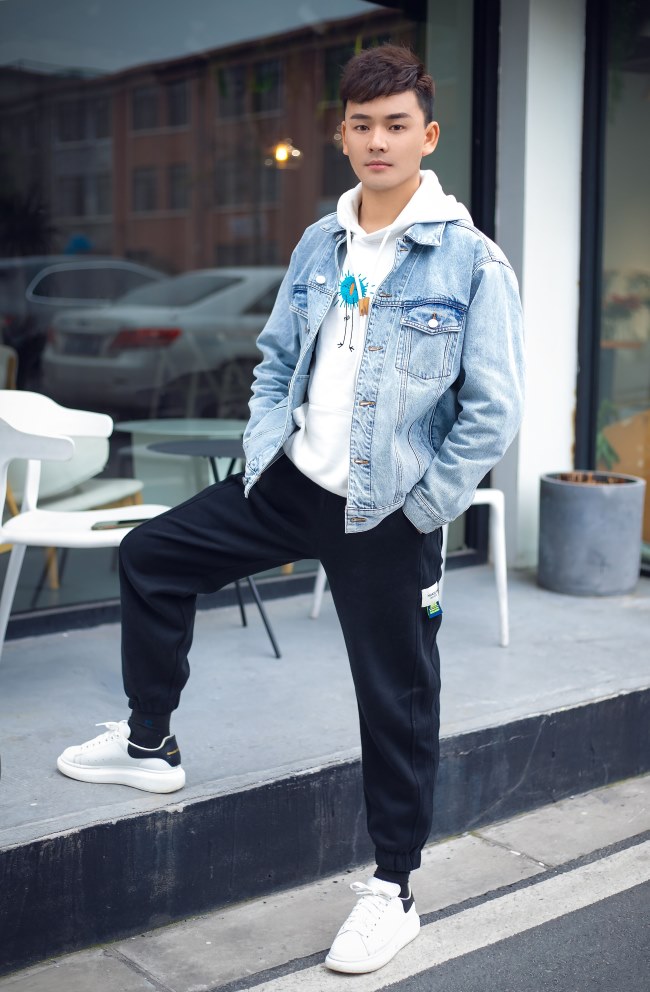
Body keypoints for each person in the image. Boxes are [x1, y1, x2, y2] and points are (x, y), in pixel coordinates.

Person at [57, 44, 524, 974]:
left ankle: (394, 890)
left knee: (396, 701)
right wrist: (265, 439)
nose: (379, 140)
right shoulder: (321, 241)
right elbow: (276, 358)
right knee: (152, 555)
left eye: (397, 125)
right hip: (290, 484)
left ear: (428, 136)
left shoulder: (471, 261)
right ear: (341, 135)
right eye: (363, 125)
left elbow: (493, 410)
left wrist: (424, 508)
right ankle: (150, 743)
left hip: (385, 511)